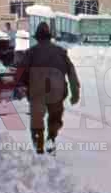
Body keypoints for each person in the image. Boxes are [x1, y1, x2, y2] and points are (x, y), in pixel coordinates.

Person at [20, 22, 80, 154]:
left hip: (37, 91)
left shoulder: (31, 53)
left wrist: (23, 86)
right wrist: (75, 92)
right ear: (49, 37)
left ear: (38, 37)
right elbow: (71, 72)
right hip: (57, 92)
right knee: (55, 117)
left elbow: (22, 72)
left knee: (37, 118)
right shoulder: (60, 52)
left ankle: (39, 145)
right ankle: (51, 137)